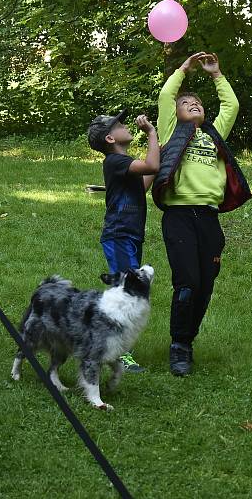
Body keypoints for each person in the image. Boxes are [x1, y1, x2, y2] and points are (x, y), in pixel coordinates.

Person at [151, 52, 252, 376]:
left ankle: (188, 340)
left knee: (205, 284)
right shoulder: (170, 131)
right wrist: (183, 69)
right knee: (187, 282)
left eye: (198, 103)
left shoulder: (213, 135)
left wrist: (216, 74)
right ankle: (179, 345)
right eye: (187, 104)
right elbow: (167, 95)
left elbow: (231, 107)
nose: (193, 105)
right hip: (179, 215)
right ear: (177, 113)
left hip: (208, 218)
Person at [88, 109, 160, 373]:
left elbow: (143, 183)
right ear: (110, 138)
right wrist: (151, 134)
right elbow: (151, 166)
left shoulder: (122, 163)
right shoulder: (115, 162)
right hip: (119, 234)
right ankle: (120, 354)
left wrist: (159, 150)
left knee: (130, 288)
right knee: (126, 292)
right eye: (120, 125)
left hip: (129, 234)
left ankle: (119, 349)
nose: (126, 126)